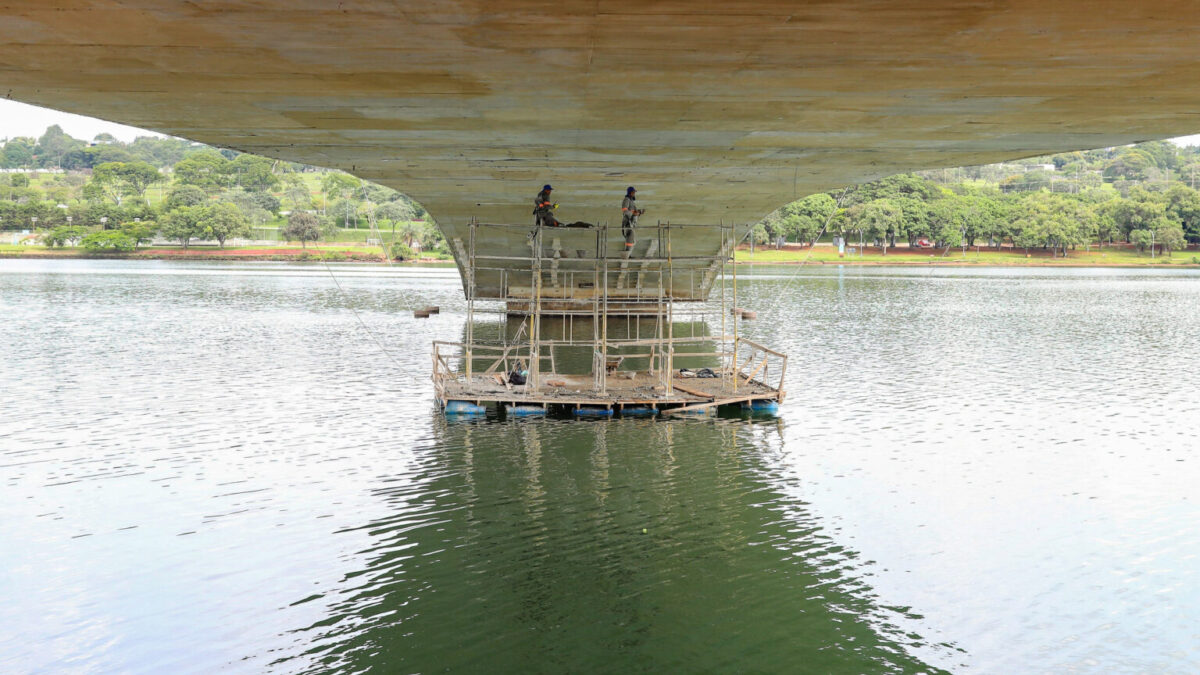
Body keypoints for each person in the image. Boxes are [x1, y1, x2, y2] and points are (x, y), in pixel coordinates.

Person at [621, 186, 644, 255]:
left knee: (631, 239)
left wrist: (639, 212)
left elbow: (633, 211)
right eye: (633, 192)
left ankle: (628, 254)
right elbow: (625, 210)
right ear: (630, 192)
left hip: (632, 223)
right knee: (630, 238)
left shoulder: (631, 201)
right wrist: (633, 213)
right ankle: (627, 255)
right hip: (628, 222)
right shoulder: (626, 199)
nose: (634, 194)